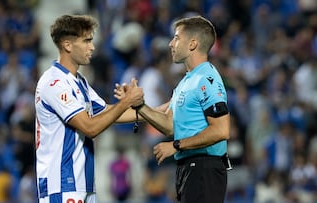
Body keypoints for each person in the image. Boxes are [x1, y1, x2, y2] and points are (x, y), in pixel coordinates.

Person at [115, 15, 231, 203]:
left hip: (204, 168)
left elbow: (221, 130)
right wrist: (134, 106)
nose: (171, 44)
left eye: (176, 38)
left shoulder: (206, 79)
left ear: (193, 44)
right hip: (189, 167)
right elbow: (169, 124)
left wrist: (176, 145)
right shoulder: (187, 81)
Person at [34, 14, 143, 203]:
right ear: (68, 45)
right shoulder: (54, 82)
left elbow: (109, 112)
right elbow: (90, 127)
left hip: (81, 185)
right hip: (63, 186)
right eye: (86, 41)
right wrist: (126, 102)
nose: (92, 47)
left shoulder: (79, 82)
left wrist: (163, 111)